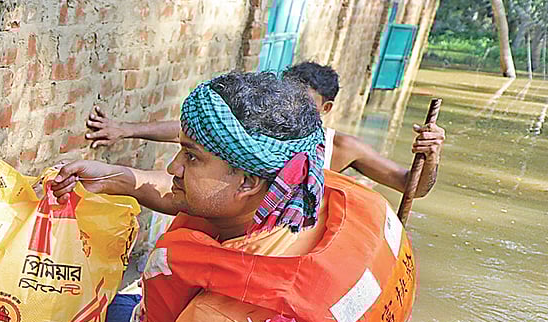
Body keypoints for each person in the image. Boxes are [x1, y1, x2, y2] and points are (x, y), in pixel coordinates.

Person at [52, 71, 418, 322]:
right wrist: (118, 178)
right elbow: (199, 196)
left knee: (102, 313)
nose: (173, 166)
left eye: (191, 156)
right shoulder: (305, 191)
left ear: (246, 182)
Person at [83, 61, 444, 202]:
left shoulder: (342, 149)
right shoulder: (225, 177)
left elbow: (412, 184)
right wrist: (122, 138)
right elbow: (194, 143)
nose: (285, 107)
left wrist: (431, 158)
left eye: (300, 103)